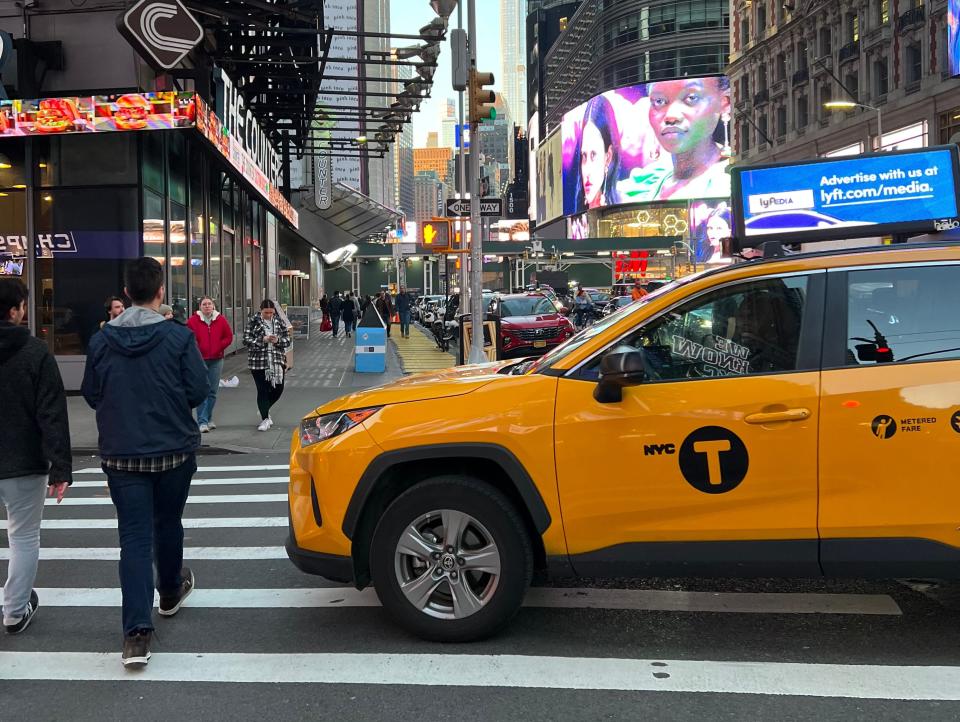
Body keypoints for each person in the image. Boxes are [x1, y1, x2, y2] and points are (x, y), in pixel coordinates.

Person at [81, 257, 208, 668]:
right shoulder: (178, 337)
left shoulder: (101, 342)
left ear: (125, 294)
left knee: (133, 539)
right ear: (160, 293)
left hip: (122, 454)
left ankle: (136, 634)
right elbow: (197, 389)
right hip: (173, 449)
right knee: (167, 523)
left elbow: (92, 393)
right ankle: (169, 591)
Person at [0, 278, 71, 635]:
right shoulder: (35, 352)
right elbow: (51, 414)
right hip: (23, 460)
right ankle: (14, 610)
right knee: (24, 537)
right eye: (24, 305)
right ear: (14, 312)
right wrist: (61, 467)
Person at [637, 76, 732, 202]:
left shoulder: (734, 178)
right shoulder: (641, 184)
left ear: (724, 103)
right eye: (659, 101)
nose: (671, 116)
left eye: (691, 98)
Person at [187, 296, 234, 433]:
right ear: (200, 306)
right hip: (199, 360)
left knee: (212, 391)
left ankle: (208, 418)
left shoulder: (220, 319)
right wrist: (197, 349)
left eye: (209, 304)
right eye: (204, 304)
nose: (207, 306)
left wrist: (219, 346)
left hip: (217, 359)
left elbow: (228, 336)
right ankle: (202, 421)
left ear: (213, 306)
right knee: (202, 391)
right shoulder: (193, 321)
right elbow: (189, 338)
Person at [243, 299, 291, 432]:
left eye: (271, 312)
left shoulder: (279, 321)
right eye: (266, 313)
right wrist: (262, 340)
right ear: (261, 310)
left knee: (278, 388)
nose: (269, 315)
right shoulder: (253, 321)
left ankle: (264, 408)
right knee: (262, 389)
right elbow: (246, 340)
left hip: (276, 360)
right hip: (258, 361)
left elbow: (287, 339)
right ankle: (265, 418)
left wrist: (278, 340)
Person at [572, 94, 623, 214]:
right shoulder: (576, 212)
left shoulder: (624, 200)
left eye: (593, 155)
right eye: (584, 156)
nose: (587, 171)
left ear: (608, 156)